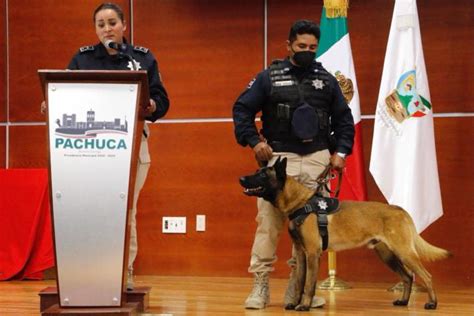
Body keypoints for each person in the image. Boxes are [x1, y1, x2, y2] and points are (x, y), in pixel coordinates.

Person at [232, 20, 354, 309]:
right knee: (269, 224)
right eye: (301, 47)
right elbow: (242, 109)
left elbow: (344, 120)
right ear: (288, 46)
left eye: (312, 48)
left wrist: (341, 153)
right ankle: (260, 284)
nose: (307, 52)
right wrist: (255, 142)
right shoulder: (268, 77)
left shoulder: (326, 81)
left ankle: (299, 288)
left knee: (311, 230)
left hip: (316, 160)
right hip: (278, 162)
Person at [68, 2, 169, 290]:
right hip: (88, 147)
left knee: (124, 211)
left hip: (132, 143)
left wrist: (151, 105)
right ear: (95, 29)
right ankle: (89, 272)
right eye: (100, 24)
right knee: (92, 210)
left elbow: (162, 100)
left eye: (112, 22)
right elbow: (64, 90)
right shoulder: (82, 59)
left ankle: (121, 272)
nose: (106, 28)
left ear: (124, 25)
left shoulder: (142, 58)